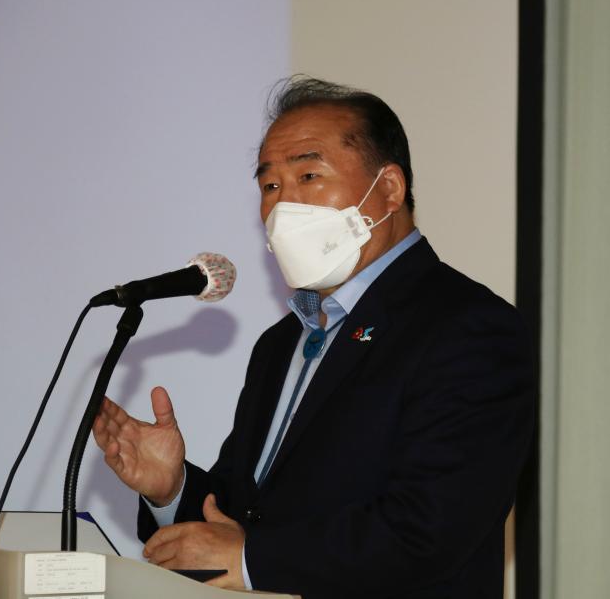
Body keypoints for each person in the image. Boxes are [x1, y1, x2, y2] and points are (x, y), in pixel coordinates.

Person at [92, 77, 535, 599]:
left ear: (389, 189)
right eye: (270, 187)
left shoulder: (469, 327)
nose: (284, 206)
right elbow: (242, 521)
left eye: (308, 175)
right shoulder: (282, 342)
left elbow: (430, 529)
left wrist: (253, 560)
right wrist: (173, 488)